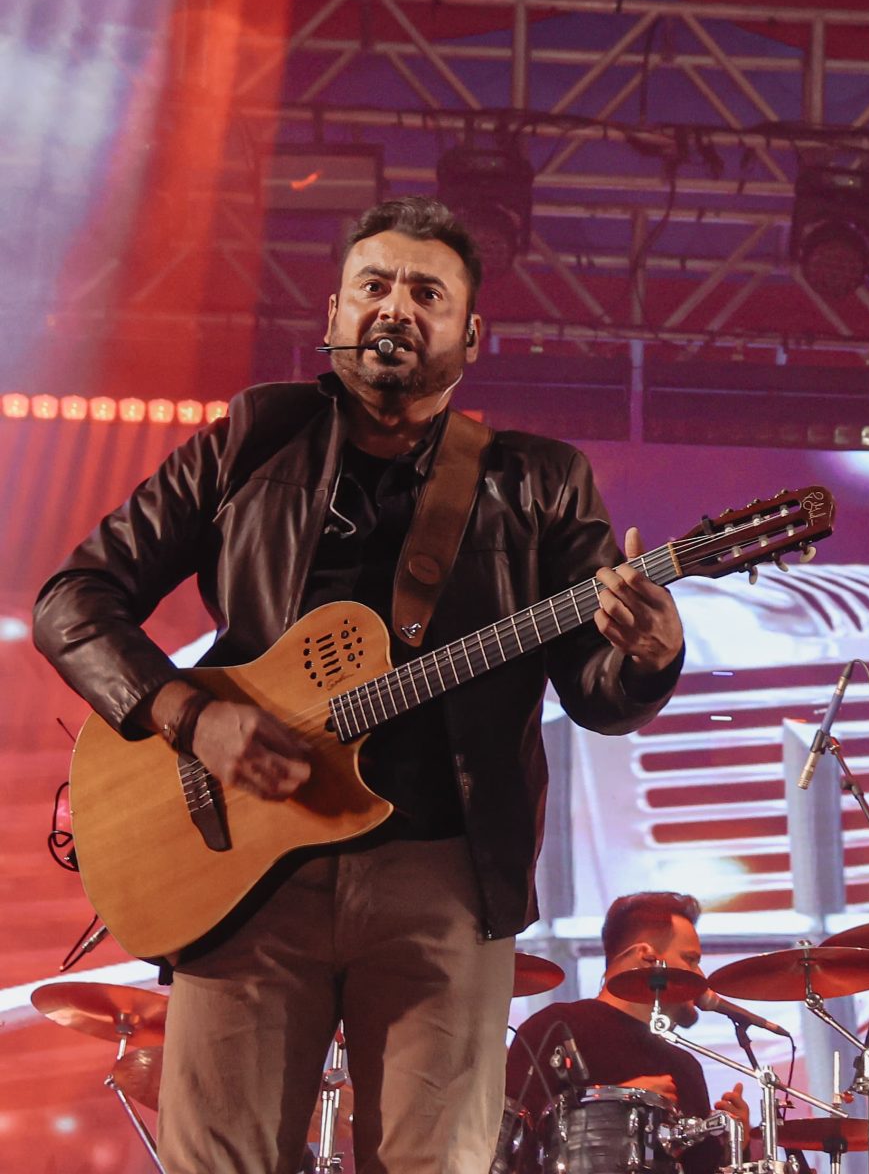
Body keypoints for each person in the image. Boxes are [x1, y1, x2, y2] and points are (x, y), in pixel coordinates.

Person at [33, 196, 686, 1172]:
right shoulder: (253, 438)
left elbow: (597, 689)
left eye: (428, 291)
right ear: (333, 316)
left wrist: (647, 650)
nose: (396, 306)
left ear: (470, 336)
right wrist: (189, 717)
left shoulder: (539, 481)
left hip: (443, 877)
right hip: (244, 874)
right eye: (373, 284)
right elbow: (72, 598)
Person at [504, 892, 749, 1174]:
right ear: (647, 957)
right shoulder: (557, 1027)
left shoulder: (686, 1067)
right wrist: (622, 1107)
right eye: (690, 959)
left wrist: (733, 1146)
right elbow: (514, 1144)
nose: (701, 977)